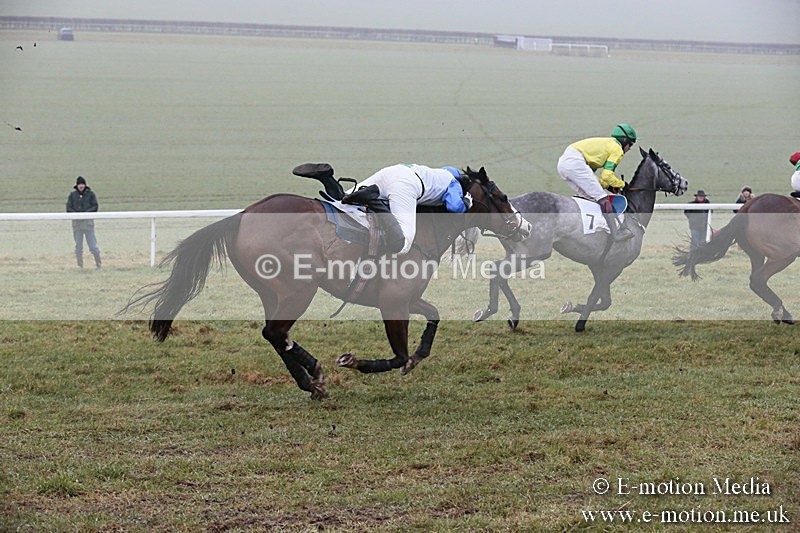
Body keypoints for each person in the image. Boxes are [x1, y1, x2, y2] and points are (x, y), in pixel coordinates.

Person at [341, 164, 471, 254]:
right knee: (404, 243)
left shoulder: (438, 173)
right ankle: (372, 199)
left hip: (391, 171)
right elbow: (453, 206)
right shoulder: (454, 183)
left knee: (342, 202)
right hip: (406, 184)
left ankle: (327, 179)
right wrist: (466, 203)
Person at [557, 123, 637, 242]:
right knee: (603, 199)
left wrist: (610, 187)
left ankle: (591, 230)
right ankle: (616, 234)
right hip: (575, 162)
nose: (629, 149)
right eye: (630, 144)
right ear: (624, 141)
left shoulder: (607, 144)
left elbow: (598, 180)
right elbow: (607, 175)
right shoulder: (617, 149)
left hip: (564, 164)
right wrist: (624, 185)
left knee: (592, 198)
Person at [66, 176, 102, 268]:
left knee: (93, 246)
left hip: (88, 225)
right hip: (77, 225)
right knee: (78, 247)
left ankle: (98, 264)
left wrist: (86, 214)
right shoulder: (72, 195)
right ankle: (80, 265)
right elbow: (68, 208)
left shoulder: (91, 194)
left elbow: (95, 206)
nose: (81, 186)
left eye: (82, 184)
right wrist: (77, 215)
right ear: (77, 185)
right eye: (79, 184)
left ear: (85, 185)